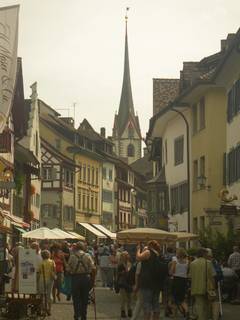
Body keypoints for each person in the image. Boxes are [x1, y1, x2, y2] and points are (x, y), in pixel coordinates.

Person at [136, 240, 168, 320]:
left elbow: (138, 257)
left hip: (147, 283)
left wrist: (138, 249)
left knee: (147, 305)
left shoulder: (148, 252)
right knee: (155, 304)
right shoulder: (159, 254)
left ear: (150, 246)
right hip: (157, 283)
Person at [67, 241, 95, 320]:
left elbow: (68, 269)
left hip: (75, 278)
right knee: (85, 298)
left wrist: (72, 271)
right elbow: (93, 268)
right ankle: (84, 315)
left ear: (76, 248)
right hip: (86, 278)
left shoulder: (72, 256)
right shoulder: (87, 255)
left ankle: (76, 315)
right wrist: (93, 280)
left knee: (76, 298)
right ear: (83, 247)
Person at [189, 247, 215, 320]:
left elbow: (190, 276)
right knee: (207, 306)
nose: (207, 255)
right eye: (206, 253)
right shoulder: (208, 263)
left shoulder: (192, 263)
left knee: (199, 306)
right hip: (207, 288)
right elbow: (212, 276)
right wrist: (213, 287)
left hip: (196, 287)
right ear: (203, 254)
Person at [169, 247, 189, 318]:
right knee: (182, 299)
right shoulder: (187, 261)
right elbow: (187, 271)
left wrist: (170, 271)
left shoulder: (175, 259)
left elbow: (172, 271)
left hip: (176, 280)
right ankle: (186, 311)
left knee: (174, 298)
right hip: (184, 281)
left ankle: (174, 315)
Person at [116, 251, 134, 318]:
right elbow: (118, 274)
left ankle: (129, 310)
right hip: (123, 283)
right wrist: (122, 273)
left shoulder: (129, 263)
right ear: (123, 256)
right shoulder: (120, 264)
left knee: (129, 298)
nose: (127, 256)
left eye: (127, 255)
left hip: (129, 282)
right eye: (126, 255)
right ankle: (123, 312)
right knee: (123, 298)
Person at [38, 250, 56, 316]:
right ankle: (49, 309)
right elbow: (54, 270)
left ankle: (43, 309)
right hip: (50, 280)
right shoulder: (52, 262)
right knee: (49, 294)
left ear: (42, 256)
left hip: (42, 279)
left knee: (42, 295)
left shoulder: (41, 263)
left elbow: (39, 272)